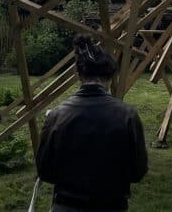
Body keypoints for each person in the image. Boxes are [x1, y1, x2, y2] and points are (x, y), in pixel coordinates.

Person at [35, 35, 148, 211]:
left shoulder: (57, 115)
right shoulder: (128, 116)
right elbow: (138, 171)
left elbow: (44, 171)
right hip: (111, 206)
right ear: (110, 76)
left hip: (67, 206)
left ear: (78, 75)